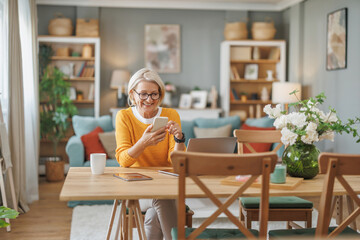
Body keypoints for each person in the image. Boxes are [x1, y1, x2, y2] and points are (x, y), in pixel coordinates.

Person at [115, 68, 186, 240]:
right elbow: (124, 161)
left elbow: (176, 162)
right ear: (132, 94)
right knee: (162, 197)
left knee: (154, 215)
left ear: (160, 95)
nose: (149, 99)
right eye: (143, 94)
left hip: (167, 184)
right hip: (136, 187)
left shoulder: (170, 114)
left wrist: (179, 139)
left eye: (154, 94)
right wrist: (144, 142)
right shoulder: (124, 117)